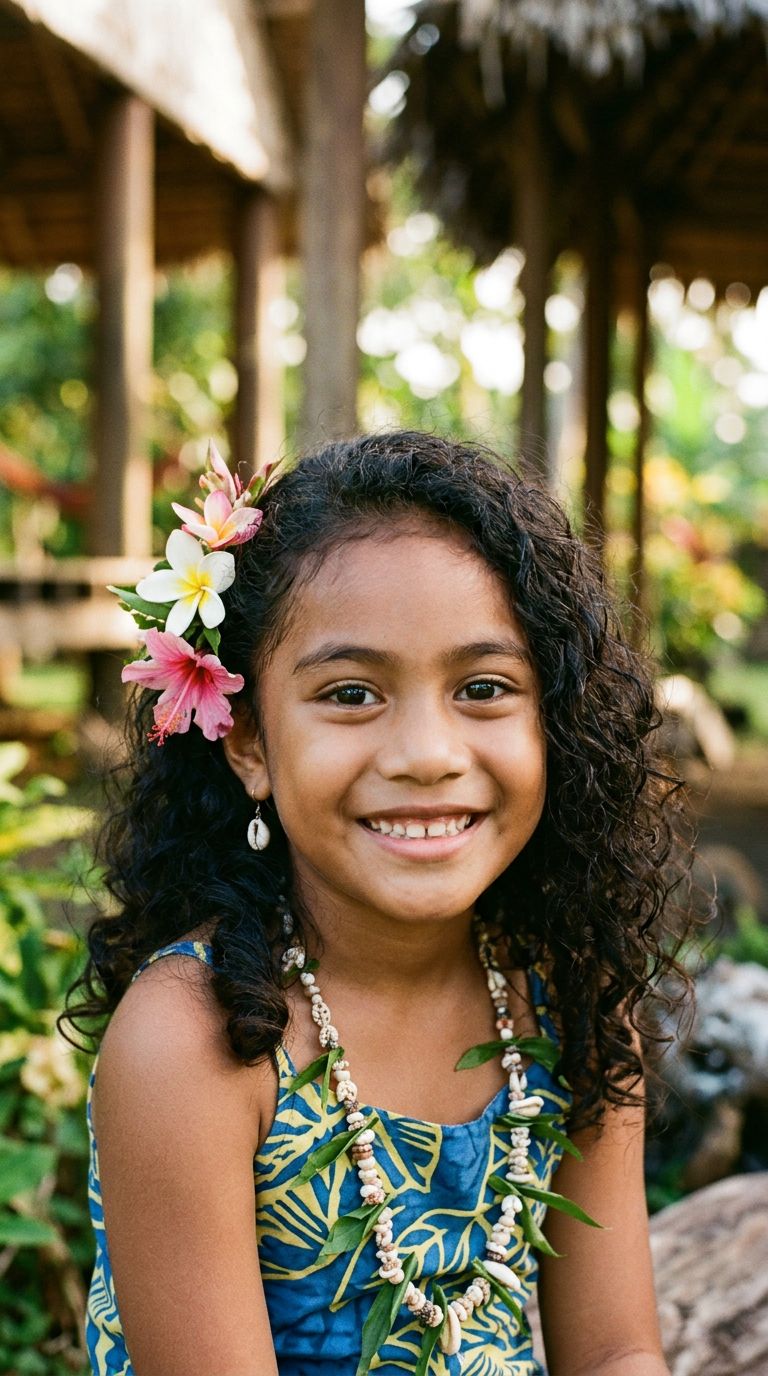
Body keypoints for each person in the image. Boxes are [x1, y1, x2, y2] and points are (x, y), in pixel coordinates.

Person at [62, 430, 690, 1376]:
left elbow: (614, 1352)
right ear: (248, 745)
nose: (427, 753)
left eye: (484, 687)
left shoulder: (571, 998)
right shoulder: (195, 1045)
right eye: (352, 693)